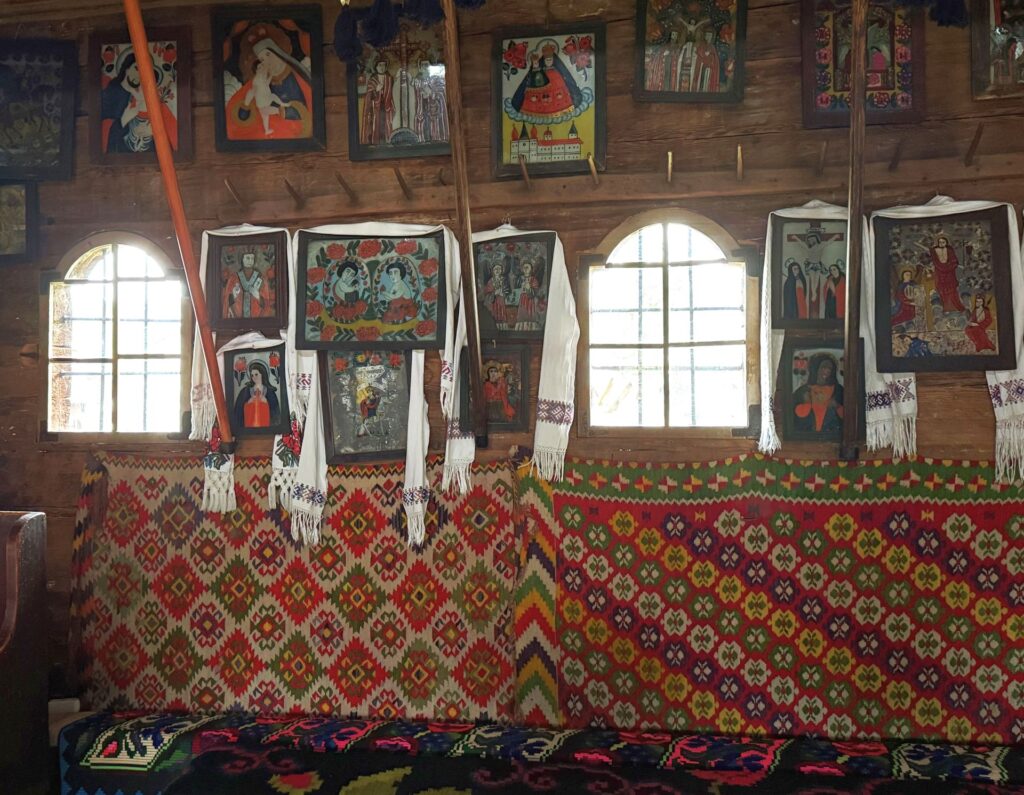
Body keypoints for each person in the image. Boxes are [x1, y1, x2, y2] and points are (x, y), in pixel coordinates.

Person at [225, 36, 312, 141]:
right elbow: (242, 113)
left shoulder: (294, 76)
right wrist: (246, 106)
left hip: (293, 130)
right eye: (262, 59)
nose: (266, 61)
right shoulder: (261, 79)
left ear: (277, 52)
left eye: (268, 54)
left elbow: (306, 109)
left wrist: (280, 111)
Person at [100, 50, 178, 153]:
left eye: (143, 71)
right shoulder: (111, 92)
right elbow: (103, 125)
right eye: (136, 68)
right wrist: (123, 120)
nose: (139, 74)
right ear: (127, 69)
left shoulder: (136, 97)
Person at [510, 40, 583, 122]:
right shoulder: (541, 70)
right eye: (547, 60)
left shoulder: (557, 70)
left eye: (550, 60)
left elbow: (566, 78)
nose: (548, 62)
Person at [792, 353, 844, 434]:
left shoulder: (839, 390)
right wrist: (807, 403)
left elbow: (849, 417)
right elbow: (794, 419)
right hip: (808, 436)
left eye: (830, 368)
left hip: (830, 435)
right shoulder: (802, 391)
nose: (827, 371)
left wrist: (837, 406)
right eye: (823, 367)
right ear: (815, 368)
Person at [917, 235, 966, 313]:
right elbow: (933, 257)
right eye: (940, 242)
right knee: (942, 290)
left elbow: (954, 260)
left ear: (946, 242)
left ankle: (956, 307)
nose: (941, 243)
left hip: (950, 272)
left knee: (952, 290)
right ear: (937, 242)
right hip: (940, 272)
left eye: (943, 242)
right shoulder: (934, 250)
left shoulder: (949, 250)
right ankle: (946, 308)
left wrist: (952, 265)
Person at [245, 56, 286, 135]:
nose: (262, 68)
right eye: (259, 67)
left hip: (265, 100)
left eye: (262, 66)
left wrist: (271, 76)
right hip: (262, 103)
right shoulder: (256, 80)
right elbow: (253, 90)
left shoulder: (262, 77)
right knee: (268, 109)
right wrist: (248, 101)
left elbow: (266, 83)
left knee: (265, 117)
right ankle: (278, 110)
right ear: (256, 70)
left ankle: (266, 130)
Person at [223, 252, 272, 319]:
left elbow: (267, 305)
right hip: (238, 320)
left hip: (256, 319)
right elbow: (226, 302)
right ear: (242, 259)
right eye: (248, 258)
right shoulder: (233, 278)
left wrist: (258, 296)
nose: (250, 261)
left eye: (252, 258)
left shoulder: (261, 278)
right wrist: (234, 295)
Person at [233, 360, 280, 429]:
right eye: (252, 375)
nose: (254, 377)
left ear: (262, 374)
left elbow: (276, 414)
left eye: (256, 374)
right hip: (249, 426)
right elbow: (238, 411)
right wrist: (249, 402)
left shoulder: (270, 392)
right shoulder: (245, 391)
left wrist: (266, 402)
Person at [412, 59, 448, 143]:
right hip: (422, 109)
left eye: (426, 65)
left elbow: (441, 92)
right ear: (420, 68)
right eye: (423, 65)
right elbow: (416, 93)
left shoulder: (436, 79)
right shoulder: (418, 81)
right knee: (423, 123)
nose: (425, 67)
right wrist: (422, 93)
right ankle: (422, 139)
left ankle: (438, 138)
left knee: (435, 124)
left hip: (434, 109)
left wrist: (432, 93)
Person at [362, 58, 394, 145]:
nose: (382, 67)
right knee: (376, 124)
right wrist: (376, 90)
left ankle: (387, 141)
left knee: (386, 124)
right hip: (375, 107)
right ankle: (375, 142)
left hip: (387, 106)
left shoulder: (389, 79)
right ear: (376, 67)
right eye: (380, 65)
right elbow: (369, 95)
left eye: (383, 65)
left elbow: (393, 93)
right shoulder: (372, 80)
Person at [516, 260, 543, 326]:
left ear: (531, 269)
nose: (525, 269)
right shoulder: (519, 279)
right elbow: (516, 290)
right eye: (524, 267)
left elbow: (535, 292)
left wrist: (528, 289)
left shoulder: (534, 280)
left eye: (527, 267)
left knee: (530, 315)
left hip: (530, 301)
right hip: (521, 300)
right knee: (521, 316)